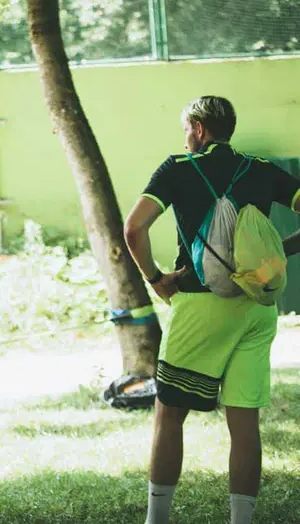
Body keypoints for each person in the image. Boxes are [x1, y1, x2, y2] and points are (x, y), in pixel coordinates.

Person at [124, 96, 300, 524]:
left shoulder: (178, 169)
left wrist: (156, 278)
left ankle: (156, 520)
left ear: (199, 129)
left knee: (169, 414)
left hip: (201, 304)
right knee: (244, 423)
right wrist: (276, 255)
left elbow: (133, 227)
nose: (185, 137)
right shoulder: (261, 168)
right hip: (258, 308)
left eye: (187, 129)